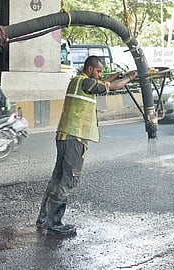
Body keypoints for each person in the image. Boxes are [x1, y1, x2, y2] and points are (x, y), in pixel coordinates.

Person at [35, 55, 137, 235]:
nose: (99, 75)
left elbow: (103, 84)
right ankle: (55, 224)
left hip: (64, 136)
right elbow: (110, 88)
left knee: (57, 178)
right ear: (89, 69)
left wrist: (115, 75)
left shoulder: (78, 81)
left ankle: (43, 219)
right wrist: (129, 78)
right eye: (98, 71)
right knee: (68, 180)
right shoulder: (86, 83)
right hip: (75, 138)